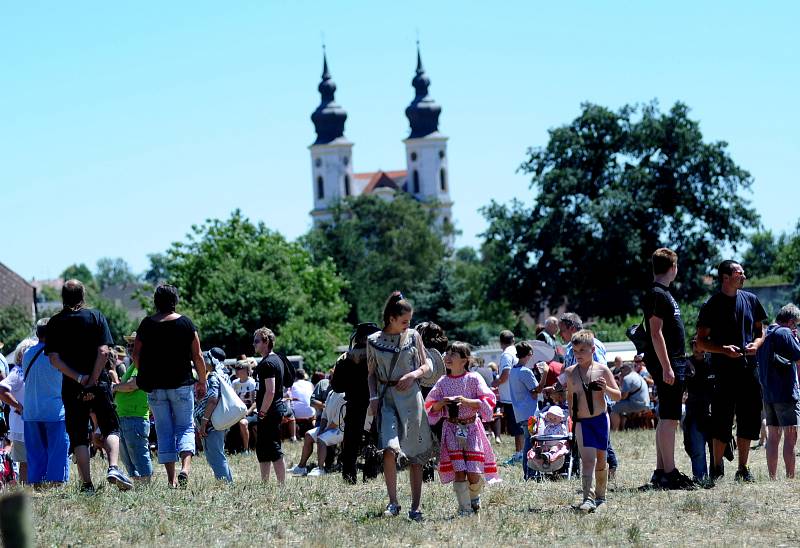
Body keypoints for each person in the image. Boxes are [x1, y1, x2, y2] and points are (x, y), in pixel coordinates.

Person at [46, 279, 133, 492]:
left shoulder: (55, 322)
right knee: (110, 426)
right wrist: (93, 379)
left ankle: (86, 484)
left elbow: (54, 360)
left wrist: (78, 378)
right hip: (99, 383)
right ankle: (113, 467)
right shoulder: (96, 316)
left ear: (63, 297)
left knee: (78, 436)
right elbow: (104, 352)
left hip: (72, 386)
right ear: (83, 295)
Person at [367, 292, 436, 522]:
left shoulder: (414, 336)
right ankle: (393, 502)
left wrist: (413, 374)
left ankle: (415, 507)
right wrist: (373, 398)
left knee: (415, 454)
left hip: (411, 399)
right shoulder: (373, 341)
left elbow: (428, 365)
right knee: (388, 448)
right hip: (386, 399)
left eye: (409, 320)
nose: (408, 325)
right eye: (404, 320)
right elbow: (371, 374)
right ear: (391, 318)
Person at [696, 260, 768, 483]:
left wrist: (756, 345)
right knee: (721, 420)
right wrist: (722, 350)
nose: (743, 276)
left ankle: (743, 468)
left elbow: (760, 331)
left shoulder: (751, 300)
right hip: (723, 372)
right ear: (725, 277)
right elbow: (700, 342)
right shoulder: (712, 305)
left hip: (748, 370)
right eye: (739, 273)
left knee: (748, 419)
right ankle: (717, 468)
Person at [132, 284, 207, 488]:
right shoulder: (185, 324)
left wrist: (144, 372)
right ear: (176, 300)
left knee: (164, 431)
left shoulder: (146, 324)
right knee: (184, 427)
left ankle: (171, 480)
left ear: (156, 301)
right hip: (182, 385)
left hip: (156, 387)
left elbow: (135, 354)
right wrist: (202, 380)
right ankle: (185, 468)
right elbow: (198, 356)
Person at [425, 342, 498, 516]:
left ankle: (474, 499)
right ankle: (464, 509)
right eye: (447, 354)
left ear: (464, 360)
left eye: (453, 354)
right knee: (459, 469)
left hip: (471, 427)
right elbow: (429, 406)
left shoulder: (474, 378)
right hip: (451, 429)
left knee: (473, 471)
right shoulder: (442, 381)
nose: (447, 357)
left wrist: (465, 400)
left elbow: (488, 399)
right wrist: (442, 403)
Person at [643, 248, 694, 489]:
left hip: (672, 361)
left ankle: (662, 471)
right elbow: (655, 332)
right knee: (670, 418)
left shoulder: (663, 293)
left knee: (667, 417)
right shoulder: (657, 293)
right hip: (669, 362)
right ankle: (670, 472)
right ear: (672, 267)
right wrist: (667, 367)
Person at [565, 330, 621, 513]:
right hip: (581, 422)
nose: (578, 354)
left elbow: (618, 395)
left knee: (601, 460)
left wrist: (606, 389)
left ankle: (601, 497)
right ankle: (587, 499)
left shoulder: (603, 370)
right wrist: (572, 418)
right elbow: (570, 398)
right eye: (575, 351)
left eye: (582, 350)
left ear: (593, 349)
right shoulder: (570, 373)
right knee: (587, 460)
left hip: (600, 420)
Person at [559, 313, 618, 479]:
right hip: (580, 403)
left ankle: (608, 470)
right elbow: (568, 371)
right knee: (587, 443)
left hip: (596, 401)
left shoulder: (593, 346)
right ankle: (587, 477)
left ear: (571, 328)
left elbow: (597, 371)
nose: (560, 335)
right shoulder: (573, 347)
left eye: (562, 330)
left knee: (601, 444)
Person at [15, 319, 69, 487]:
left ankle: (37, 484)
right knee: (57, 451)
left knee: (36, 451)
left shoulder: (28, 354)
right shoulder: (58, 354)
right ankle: (55, 484)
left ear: (37, 334)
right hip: (54, 410)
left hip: (31, 411)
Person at [330, 323, 380, 484]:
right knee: (374, 439)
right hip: (375, 403)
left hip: (354, 403)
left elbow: (337, 386)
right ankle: (370, 476)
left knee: (351, 442)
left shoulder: (344, 358)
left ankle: (349, 477)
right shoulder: (379, 357)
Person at [756, 304, 800, 479]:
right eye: (796, 324)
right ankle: (790, 477)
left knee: (773, 437)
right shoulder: (784, 332)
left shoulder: (766, 334)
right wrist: (796, 339)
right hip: (785, 393)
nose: (796, 327)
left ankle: (772, 477)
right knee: (791, 437)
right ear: (790, 322)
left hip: (768, 393)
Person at [111, 332, 153, 484]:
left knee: (139, 452)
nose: (129, 347)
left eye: (133, 343)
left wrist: (114, 387)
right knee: (128, 456)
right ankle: (138, 484)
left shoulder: (142, 364)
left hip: (135, 417)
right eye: (128, 344)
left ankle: (145, 485)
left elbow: (131, 385)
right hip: (125, 416)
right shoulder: (134, 365)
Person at [253, 327, 287, 484]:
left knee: (273, 448)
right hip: (271, 409)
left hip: (270, 410)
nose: (254, 344)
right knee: (263, 448)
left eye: (257, 341)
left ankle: (282, 485)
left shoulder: (268, 363)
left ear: (266, 342)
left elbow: (270, 391)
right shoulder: (277, 359)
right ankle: (264, 483)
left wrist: (262, 412)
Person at [0, 338, 37, 483]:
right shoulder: (18, 372)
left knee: (32, 460)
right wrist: (19, 406)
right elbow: (2, 390)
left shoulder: (30, 372)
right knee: (25, 462)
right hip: (22, 427)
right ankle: (26, 491)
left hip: (32, 423)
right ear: (23, 355)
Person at [195, 351, 233, 483]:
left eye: (204, 358)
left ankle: (225, 485)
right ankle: (228, 481)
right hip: (219, 420)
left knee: (215, 455)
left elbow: (213, 399)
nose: (202, 361)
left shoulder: (213, 376)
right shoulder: (224, 374)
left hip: (211, 422)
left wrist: (204, 421)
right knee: (217, 454)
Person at [289, 390, 346, 477]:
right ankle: (301, 466)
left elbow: (337, 420)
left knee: (321, 439)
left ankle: (320, 469)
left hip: (339, 430)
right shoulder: (331, 393)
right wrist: (321, 429)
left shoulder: (344, 395)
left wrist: (324, 432)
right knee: (308, 435)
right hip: (329, 427)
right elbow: (324, 414)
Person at [508, 342, 542, 480]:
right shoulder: (525, 371)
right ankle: (530, 472)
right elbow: (536, 391)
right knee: (531, 441)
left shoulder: (513, 370)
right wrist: (544, 373)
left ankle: (529, 472)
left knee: (529, 440)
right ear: (529, 355)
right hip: (530, 413)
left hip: (520, 412)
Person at [684, 338, 715, 482]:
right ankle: (700, 478)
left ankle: (716, 476)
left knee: (716, 447)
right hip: (695, 411)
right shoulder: (686, 364)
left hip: (713, 410)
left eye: (702, 350)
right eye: (696, 350)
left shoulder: (713, 361)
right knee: (697, 448)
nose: (699, 353)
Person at [492, 330, 522, 463]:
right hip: (517, 393)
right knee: (521, 426)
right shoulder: (516, 351)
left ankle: (519, 454)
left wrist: (496, 382)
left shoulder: (506, 354)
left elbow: (506, 373)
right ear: (513, 340)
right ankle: (521, 453)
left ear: (500, 342)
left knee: (516, 428)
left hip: (510, 396)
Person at [609, 361, 650, 431]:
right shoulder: (636, 375)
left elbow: (623, 396)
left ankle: (615, 430)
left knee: (613, 408)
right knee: (619, 407)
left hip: (637, 404)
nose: (621, 370)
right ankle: (622, 428)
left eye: (622, 368)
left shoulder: (627, 378)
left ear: (627, 368)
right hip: (645, 403)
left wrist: (612, 398)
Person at [232, 359, 258, 453]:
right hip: (238, 412)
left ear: (247, 370)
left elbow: (256, 402)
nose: (237, 370)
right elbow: (232, 399)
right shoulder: (235, 383)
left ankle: (246, 450)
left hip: (251, 412)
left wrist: (247, 412)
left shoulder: (252, 383)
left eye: (240, 368)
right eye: (236, 368)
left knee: (243, 423)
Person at [287, 369, 315, 440]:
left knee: (291, 413)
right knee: (313, 415)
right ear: (304, 376)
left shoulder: (293, 385)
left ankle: (295, 435)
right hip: (310, 411)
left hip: (296, 413)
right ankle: (316, 432)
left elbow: (288, 396)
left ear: (296, 376)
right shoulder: (310, 384)